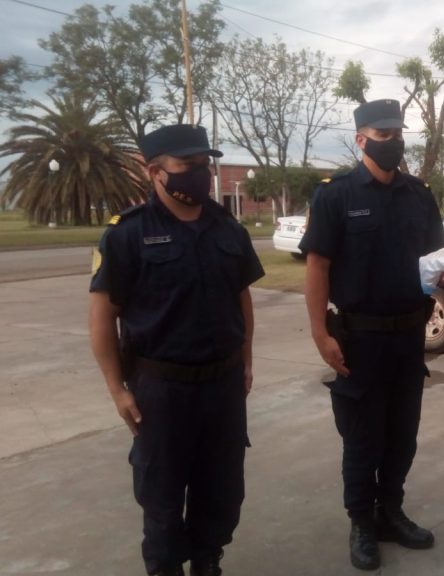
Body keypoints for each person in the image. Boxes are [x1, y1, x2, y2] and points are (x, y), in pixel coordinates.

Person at [88, 124, 265, 576]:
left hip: (223, 386)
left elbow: (241, 297)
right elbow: (102, 316)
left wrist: (245, 361)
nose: (201, 175)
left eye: (205, 165)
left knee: (222, 491)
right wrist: (117, 391)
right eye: (187, 167)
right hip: (160, 390)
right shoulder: (126, 234)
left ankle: (208, 561)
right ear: (155, 172)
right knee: (163, 501)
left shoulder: (228, 228)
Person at [301, 99, 444, 571]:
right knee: (363, 437)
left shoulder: (418, 194)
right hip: (359, 338)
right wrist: (318, 334)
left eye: (398, 134)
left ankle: (390, 512)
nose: (393, 142)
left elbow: (434, 258)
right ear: (361, 139)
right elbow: (318, 267)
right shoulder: (335, 195)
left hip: (408, 337)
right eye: (383, 135)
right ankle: (361, 523)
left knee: (401, 435)